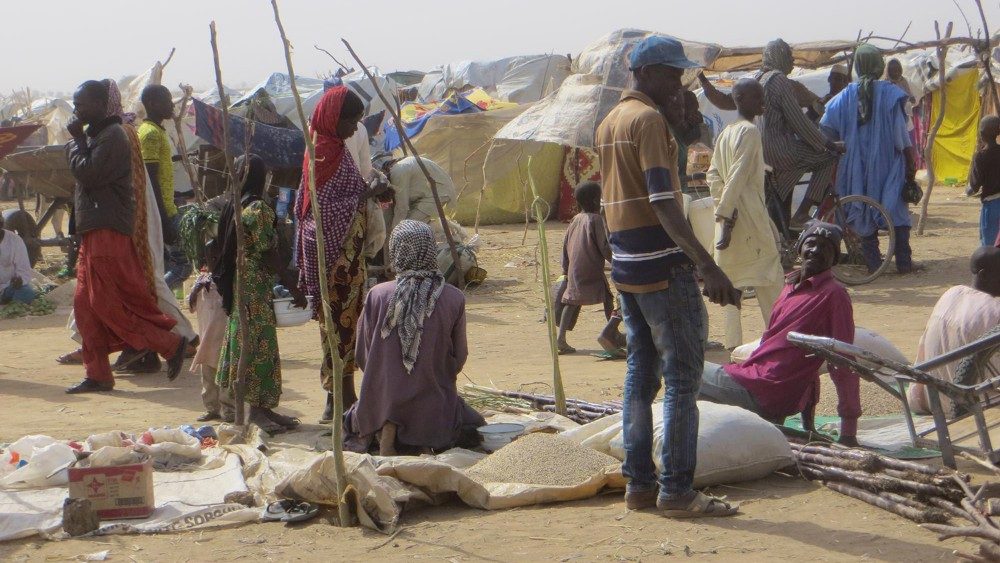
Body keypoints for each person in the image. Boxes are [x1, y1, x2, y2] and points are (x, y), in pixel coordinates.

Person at [596, 35, 741, 517]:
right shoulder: (648, 120)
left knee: (641, 374)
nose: (679, 82)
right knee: (681, 377)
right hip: (662, 266)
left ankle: (639, 484)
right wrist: (706, 264)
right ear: (651, 73)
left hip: (627, 266)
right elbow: (662, 200)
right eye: (674, 74)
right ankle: (676, 488)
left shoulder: (611, 121)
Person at [57, 81, 197, 371]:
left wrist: (77, 142)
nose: (76, 110)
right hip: (100, 226)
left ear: (100, 105)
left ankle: (170, 343)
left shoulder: (115, 136)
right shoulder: (115, 135)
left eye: (81, 103)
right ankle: (97, 370)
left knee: (122, 295)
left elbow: (96, 175)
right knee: (88, 303)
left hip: (115, 226)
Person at [698, 221, 859, 446]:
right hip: (762, 385)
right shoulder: (790, 286)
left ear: (835, 259)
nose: (815, 251)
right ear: (800, 247)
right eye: (811, 244)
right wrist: (808, 425)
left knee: (684, 368)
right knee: (696, 400)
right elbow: (807, 358)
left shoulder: (834, 295)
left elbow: (842, 360)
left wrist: (849, 431)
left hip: (764, 387)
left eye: (825, 248)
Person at [344, 220, 485, 455]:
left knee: (352, 420)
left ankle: (388, 425)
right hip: (434, 405)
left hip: (380, 402)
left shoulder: (377, 295)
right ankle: (419, 431)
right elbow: (459, 357)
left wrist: (387, 377)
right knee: (474, 424)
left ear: (395, 251)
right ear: (431, 250)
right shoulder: (453, 297)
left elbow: (362, 356)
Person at [295, 86, 387, 423]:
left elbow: (348, 192)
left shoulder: (333, 147)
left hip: (348, 259)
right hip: (334, 260)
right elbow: (321, 210)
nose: (355, 128)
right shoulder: (321, 152)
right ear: (335, 119)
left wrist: (367, 192)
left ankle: (342, 397)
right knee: (338, 330)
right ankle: (340, 399)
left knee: (346, 329)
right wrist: (365, 196)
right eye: (351, 121)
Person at [700, 39, 842, 227]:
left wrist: (701, 78)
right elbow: (798, 121)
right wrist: (827, 144)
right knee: (828, 157)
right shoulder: (780, 81)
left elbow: (724, 101)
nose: (792, 61)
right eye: (789, 56)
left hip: (762, 153)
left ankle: (784, 234)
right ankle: (803, 213)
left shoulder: (758, 79)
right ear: (779, 56)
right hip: (780, 150)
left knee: (780, 196)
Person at [214, 155, 304, 434]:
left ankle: (262, 409)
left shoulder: (235, 206)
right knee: (258, 343)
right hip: (254, 285)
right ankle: (255, 411)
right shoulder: (258, 209)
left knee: (250, 340)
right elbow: (268, 253)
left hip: (243, 283)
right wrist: (293, 286)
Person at [821, 44, 919, 274]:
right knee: (896, 209)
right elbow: (900, 135)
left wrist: (841, 144)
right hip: (889, 164)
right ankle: (904, 263)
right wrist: (910, 162)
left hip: (854, 165)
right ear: (878, 65)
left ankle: (874, 264)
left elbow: (825, 127)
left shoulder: (845, 95)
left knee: (862, 210)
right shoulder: (890, 93)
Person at [706, 79, 785, 349]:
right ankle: (781, 338)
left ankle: (733, 347)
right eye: (757, 97)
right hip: (749, 220)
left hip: (729, 220)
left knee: (731, 286)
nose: (762, 102)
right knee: (771, 279)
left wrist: (723, 213)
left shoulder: (726, 133)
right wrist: (727, 217)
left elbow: (714, 176)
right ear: (740, 99)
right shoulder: (749, 132)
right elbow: (737, 176)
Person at [907, 246, 1000, 416]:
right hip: (975, 406)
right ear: (984, 275)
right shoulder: (995, 310)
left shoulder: (951, 293)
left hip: (928, 400)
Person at [139, 84, 191, 291]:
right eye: (167, 100)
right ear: (152, 104)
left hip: (166, 207)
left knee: (167, 265)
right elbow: (150, 180)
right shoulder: (150, 134)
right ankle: (153, 299)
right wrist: (163, 219)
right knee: (183, 266)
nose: (172, 104)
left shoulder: (156, 131)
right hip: (161, 212)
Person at [556, 181, 614, 354]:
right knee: (608, 298)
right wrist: (615, 260)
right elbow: (604, 246)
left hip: (575, 268)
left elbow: (565, 245)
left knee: (571, 301)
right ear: (597, 201)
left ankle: (561, 339)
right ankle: (612, 333)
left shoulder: (575, 220)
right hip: (591, 267)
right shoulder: (596, 220)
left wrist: (565, 268)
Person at [374, 153, 456, 237]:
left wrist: (394, 233)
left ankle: (449, 232)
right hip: (429, 194)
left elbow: (402, 208)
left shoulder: (398, 171)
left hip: (439, 192)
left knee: (408, 228)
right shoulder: (398, 167)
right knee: (405, 225)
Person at [188, 271, 234, 422]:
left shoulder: (229, 281)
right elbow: (190, 304)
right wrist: (196, 289)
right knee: (208, 377)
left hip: (224, 339)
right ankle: (212, 409)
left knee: (226, 376)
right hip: (206, 340)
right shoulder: (202, 283)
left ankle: (229, 410)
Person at [968, 115, 1000, 247]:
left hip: (992, 205)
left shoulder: (980, 156)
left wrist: (969, 190)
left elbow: (974, 185)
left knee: (989, 245)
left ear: (981, 134)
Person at [0, 213, 35, 305]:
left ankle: (7, 303)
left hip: (8, 287)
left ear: (1, 224)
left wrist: (19, 280)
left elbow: (24, 269)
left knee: (27, 293)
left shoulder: (14, 240)